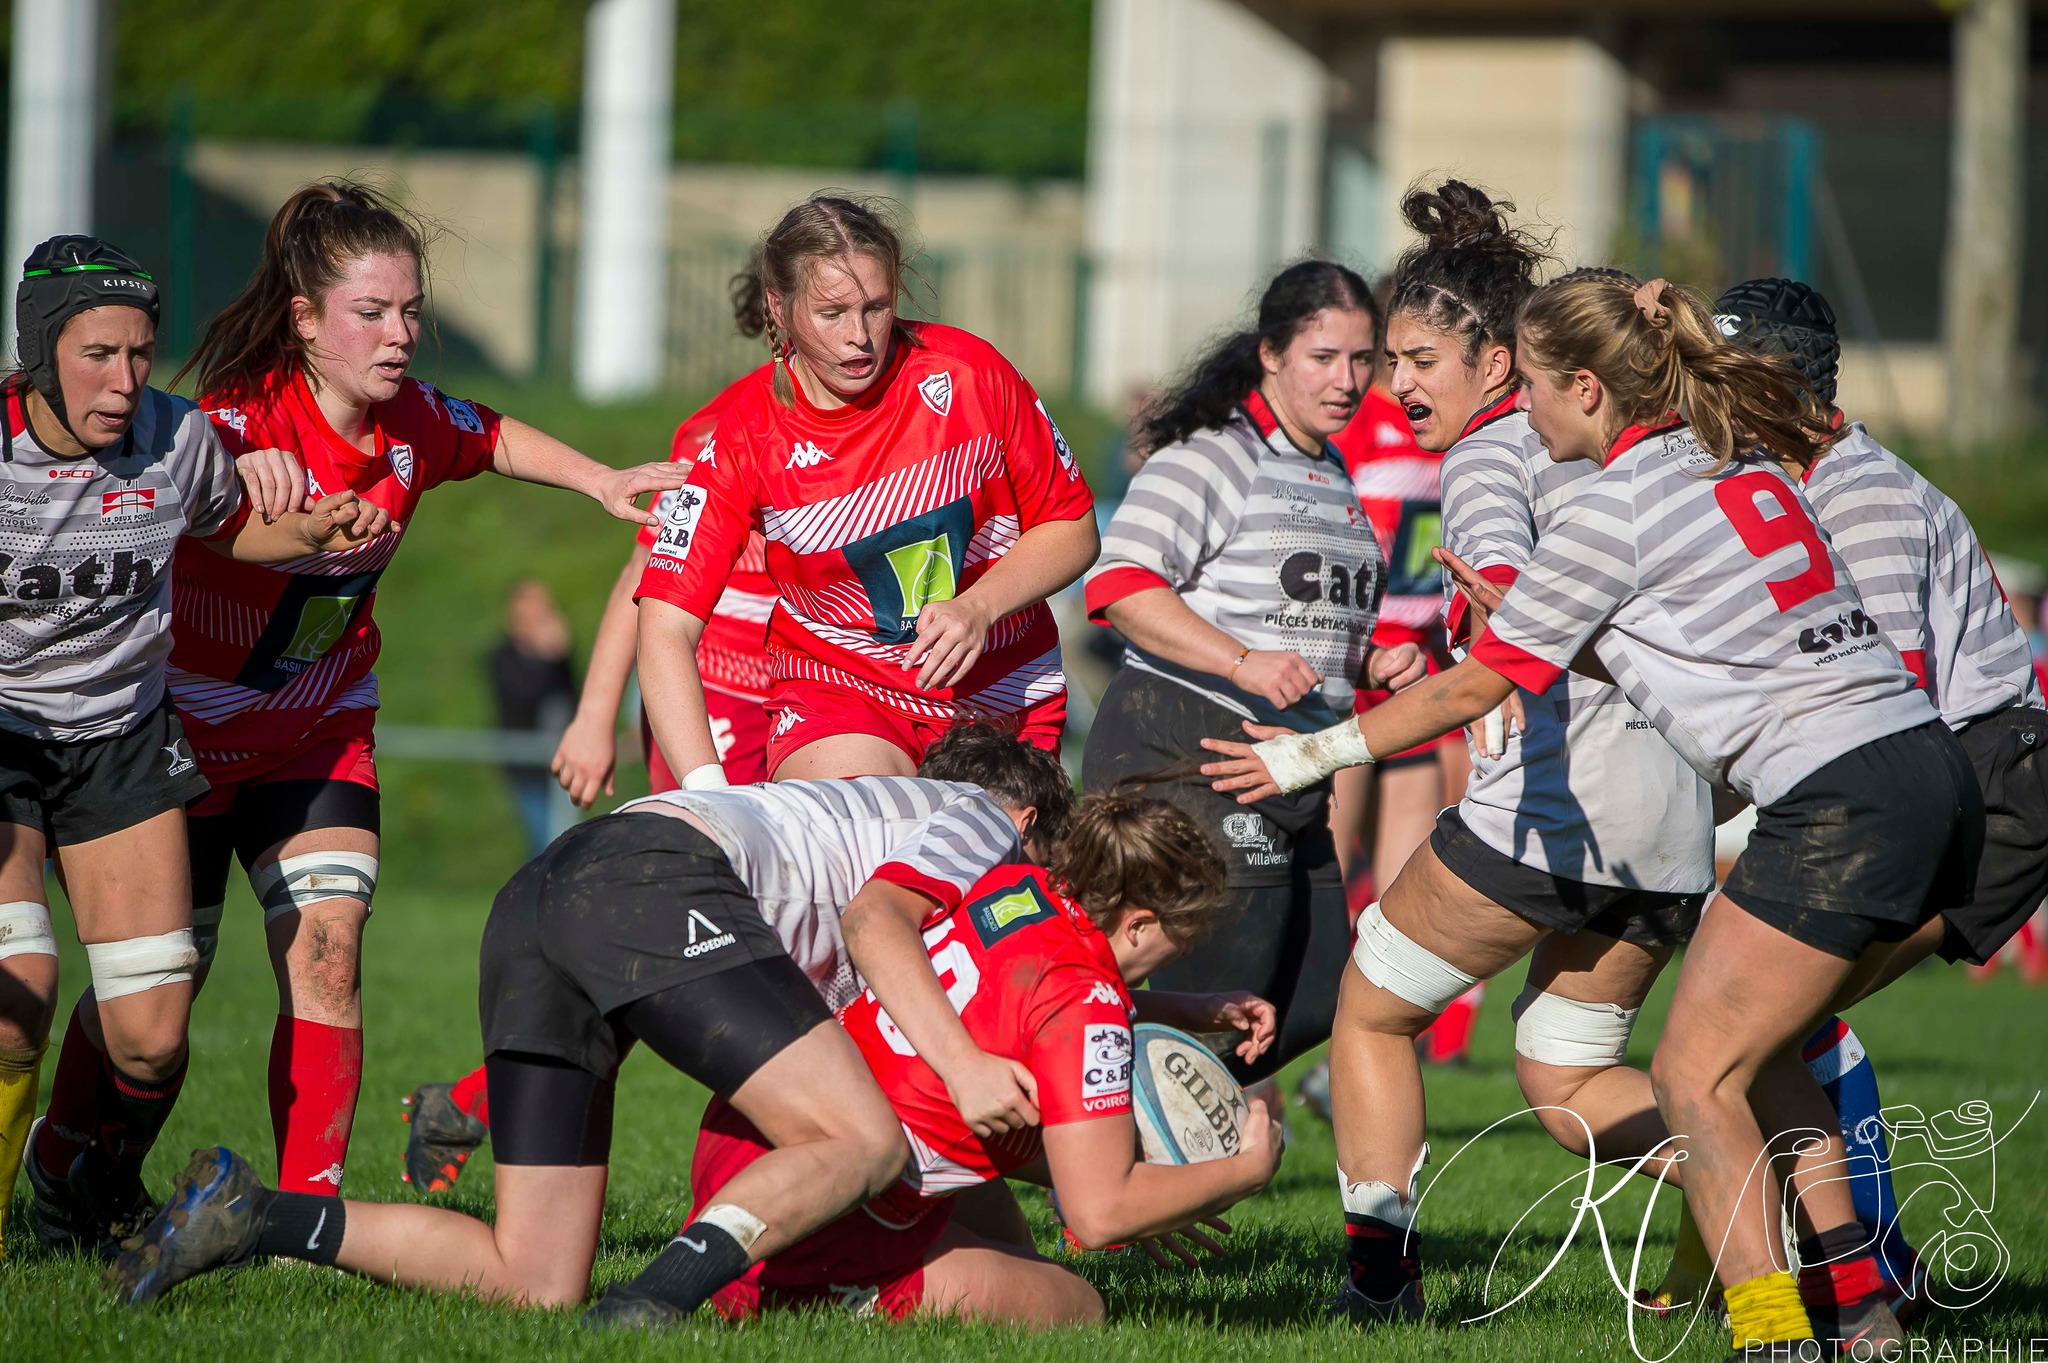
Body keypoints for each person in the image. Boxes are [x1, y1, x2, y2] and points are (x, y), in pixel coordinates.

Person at [1203, 275, 1979, 1358]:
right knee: (1632, 1065)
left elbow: (1488, 675)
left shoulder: (1580, 491)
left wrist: (1311, 751)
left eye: (1520, 383)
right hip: (1907, 765)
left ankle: (1404, 1287)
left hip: (1735, 795)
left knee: (1411, 1014)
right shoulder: (1734, 449)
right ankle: (1857, 1294)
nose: (1518, 412)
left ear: (1577, 384)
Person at [21, 181, 691, 1215]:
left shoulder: (410, 420)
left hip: (318, 733)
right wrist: (258, 489)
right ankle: (75, 1170)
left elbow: (491, 431)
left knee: (329, 955)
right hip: (184, 736)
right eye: (371, 313)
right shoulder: (234, 424)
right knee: (155, 997)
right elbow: (170, 488)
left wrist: (601, 481)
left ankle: (306, 1217)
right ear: (304, 320)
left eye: (410, 310)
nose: (400, 334)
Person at [108, 723, 1075, 1321]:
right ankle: (651, 1303)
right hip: (648, 877)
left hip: (545, 889)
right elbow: (874, 928)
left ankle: (251, 1213)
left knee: (531, 1278)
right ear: (1033, 829)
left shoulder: (927, 877)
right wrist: (987, 1078)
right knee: (859, 1138)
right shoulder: (984, 821)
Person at [0, 235, 394, 1255]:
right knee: (19, 993)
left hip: (123, 740)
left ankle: (69, 1197)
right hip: (5, 737)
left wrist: (308, 531)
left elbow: (227, 528)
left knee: (152, 1032)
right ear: (40, 353)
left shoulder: (173, 439)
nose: (126, 379)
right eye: (97, 354)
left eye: (140, 353)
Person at [691, 794, 1285, 1325]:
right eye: (1173, 946)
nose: (1170, 959)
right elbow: (1100, 1214)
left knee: (1014, 1244)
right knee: (1079, 1306)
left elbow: (1030, 998)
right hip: (817, 1227)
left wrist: (1188, 1009)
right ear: (1140, 925)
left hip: (748, 1147)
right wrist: (1244, 1172)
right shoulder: (1087, 1004)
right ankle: (843, 1297)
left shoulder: (1019, 890)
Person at [408, 378, 779, 1191]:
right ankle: (756, 1213)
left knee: (712, 960)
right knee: (752, 956)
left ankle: (472, 1101)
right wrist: (594, 712)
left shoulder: (888, 433)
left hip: (804, 709)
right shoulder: (719, 431)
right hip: (712, 716)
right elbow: (642, 577)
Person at [1081, 259, 1425, 1085]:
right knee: (1225, 1011)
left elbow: (1301, 625)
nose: (1347, 381)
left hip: (1294, 764)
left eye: (1361, 359)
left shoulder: (1331, 471)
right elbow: (1119, 585)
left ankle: (1105, 1128)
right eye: (1323, 357)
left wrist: (1372, 660)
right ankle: (1097, 1163)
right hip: (1193, 746)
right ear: (1271, 353)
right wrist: (1239, 661)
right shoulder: (1212, 456)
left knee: (1314, 1002)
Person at [634, 193, 1099, 788]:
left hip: (998, 689)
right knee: (852, 840)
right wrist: (708, 792)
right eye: (832, 313)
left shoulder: (972, 375)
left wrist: (979, 607)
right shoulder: (743, 434)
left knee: (987, 874)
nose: (860, 336)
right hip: (839, 691)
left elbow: (1072, 527)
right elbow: (665, 622)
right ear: (778, 307)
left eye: (876, 308)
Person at [1327, 366, 1482, 1073]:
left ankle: (1376, 1051)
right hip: (1351, 668)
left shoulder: (1460, 432)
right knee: (1326, 870)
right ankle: (1303, 1034)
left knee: (1406, 885)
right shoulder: (1351, 428)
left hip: (1419, 668)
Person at [489, 580, 578, 857]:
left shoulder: (558, 657)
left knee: (565, 836)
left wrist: (560, 657)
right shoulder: (502, 657)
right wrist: (547, 658)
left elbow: (571, 697)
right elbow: (523, 696)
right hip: (526, 763)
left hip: (563, 759)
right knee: (546, 839)